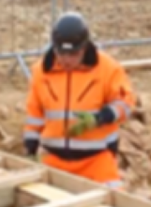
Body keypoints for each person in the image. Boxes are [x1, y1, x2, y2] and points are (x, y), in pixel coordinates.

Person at [22, 12, 137, 189]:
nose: (67, 60)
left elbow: (125, 102)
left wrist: (101, 118)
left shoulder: (107, 68)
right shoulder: (41, 72)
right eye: (62, 53)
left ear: (85, 48)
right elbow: (34, 114)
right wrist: (30, 147)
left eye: (73, 54)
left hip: (97, 161)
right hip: (54, 160)